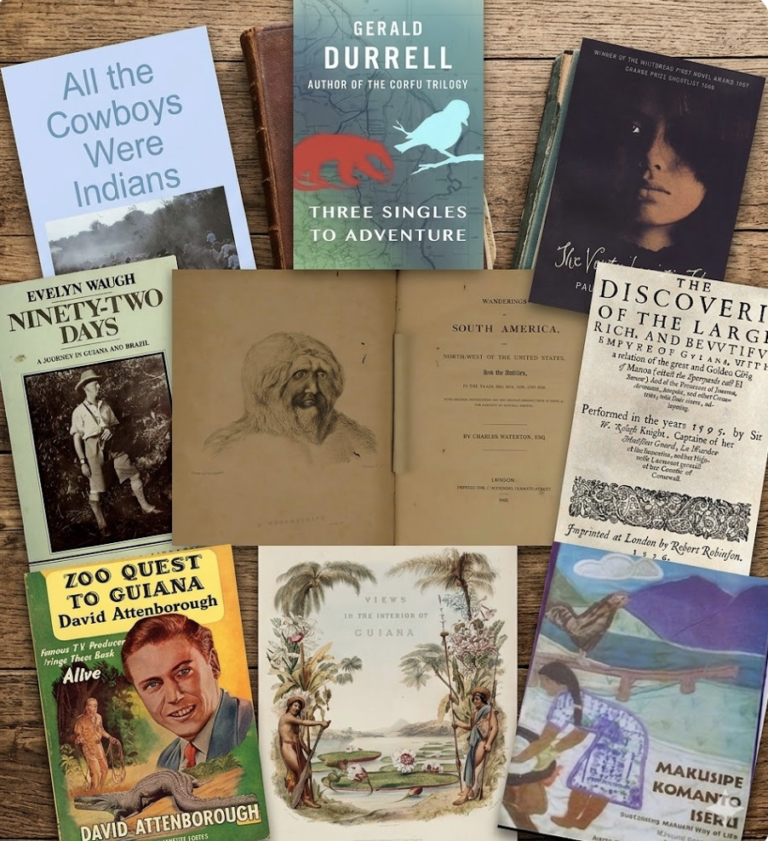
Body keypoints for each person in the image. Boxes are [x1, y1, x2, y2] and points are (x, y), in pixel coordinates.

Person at [510, 661, 648, 830]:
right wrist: (555, 750)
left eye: (544, 681)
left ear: (555, 681)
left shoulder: (565, 702)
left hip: (624, 737)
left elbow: (546, 738)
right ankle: (576, 820)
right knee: (596, 781)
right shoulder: (575, 696)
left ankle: (577, 821)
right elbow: (579, 733)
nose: (543, 685)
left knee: (595, 782)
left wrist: (518, 758)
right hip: (630, 733)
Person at [204, 332, 377, 463]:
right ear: (266, 386)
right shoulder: (226, 449)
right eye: (300, 375)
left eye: (321, 374)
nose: (314, 388)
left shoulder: (359, 440)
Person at [121, 613, 253, 770]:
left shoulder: (248, 727)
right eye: (153, 684)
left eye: (183, 672)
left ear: (214, 664)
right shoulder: (167, 761)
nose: (173, 696)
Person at [70, 369, 157, 537]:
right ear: (85, 388)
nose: (98, 385)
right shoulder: (78, 411)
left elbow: (114, 425)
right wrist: (82, 462)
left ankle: (145, 507)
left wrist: (110, 429)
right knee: (95, 488)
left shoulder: (105, 406)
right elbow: (76, 438)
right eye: (94, 383)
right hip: (92, 448)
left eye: (98, 382)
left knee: (134, 474)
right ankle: (102, 523)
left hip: (112, 445)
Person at [277, 697, 330, 809]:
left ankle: (306, 798)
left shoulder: (295, 720)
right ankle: (305, 799)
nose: (297, 708)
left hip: (297, 748)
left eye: (299, 707)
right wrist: (320, 722)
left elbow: (298, 737)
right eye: (295, 705)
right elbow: (303, 722)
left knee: (307, 771)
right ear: (290, 706)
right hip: (288, 747)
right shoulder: (286, 717)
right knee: (301, 772)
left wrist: (306, 749)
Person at [452, 686, 499, 806]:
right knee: (470, 766)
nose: (475, 701)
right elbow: (470, 727)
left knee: (471, 766)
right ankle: (471, 790)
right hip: (473, 742)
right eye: (474, 699)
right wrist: (457, 724)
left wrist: (489, 743)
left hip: (482, 742)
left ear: (483, 699)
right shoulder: (475, 713)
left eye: (477, 699)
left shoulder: (489, 710)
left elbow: (494, 728)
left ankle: (465, 795)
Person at [72, 697, 119, 791]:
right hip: (88, 748)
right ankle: (93, 791)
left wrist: (110, 737)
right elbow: (76, 737)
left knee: (105, 770)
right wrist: (78, 739)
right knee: (96, 773)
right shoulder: (79, 720)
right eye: (89, 705)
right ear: (85, 707)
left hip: (99, 746)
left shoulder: (98, 717)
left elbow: (101, 730)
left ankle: (100, 791)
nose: (92, 708)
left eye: (94, 706)